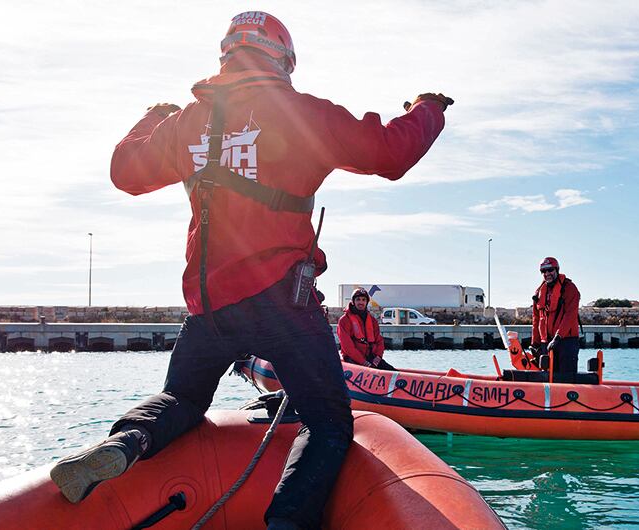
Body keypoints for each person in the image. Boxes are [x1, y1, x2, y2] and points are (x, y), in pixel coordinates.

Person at [49, 11, 451, 530]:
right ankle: (285, 522)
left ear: (226, 54)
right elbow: (392, 153)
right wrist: (428, 108)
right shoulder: (302, 114)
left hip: (209, 307)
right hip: (282, 300)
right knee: (328, 424)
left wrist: (155, 115)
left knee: (182, 399)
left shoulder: (186, 123)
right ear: (284, 59)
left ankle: (127, 442)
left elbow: (125, 170)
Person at [531, 257, 581, 374]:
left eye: (550, 270)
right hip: (546, 343)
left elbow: (570, 315)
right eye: (544, 271)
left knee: (566, 377)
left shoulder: (569, 288)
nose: (547, 273)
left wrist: (558, 337)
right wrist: (535, 344)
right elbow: (536, 319)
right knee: (547, 376)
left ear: (557, 270)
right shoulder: (539, 292)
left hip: (566, 341)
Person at [338, 288, 394, 370]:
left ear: (366, 302)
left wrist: (378, 357)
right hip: (353, 360)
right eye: (358, 299)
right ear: (353, 302)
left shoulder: (372, 321)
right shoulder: (344, 320)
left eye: (363, 300)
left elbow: (379, 341)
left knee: (392, 371)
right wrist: (363, 362)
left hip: (371, 358)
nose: (361, 302)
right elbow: (347, 347)